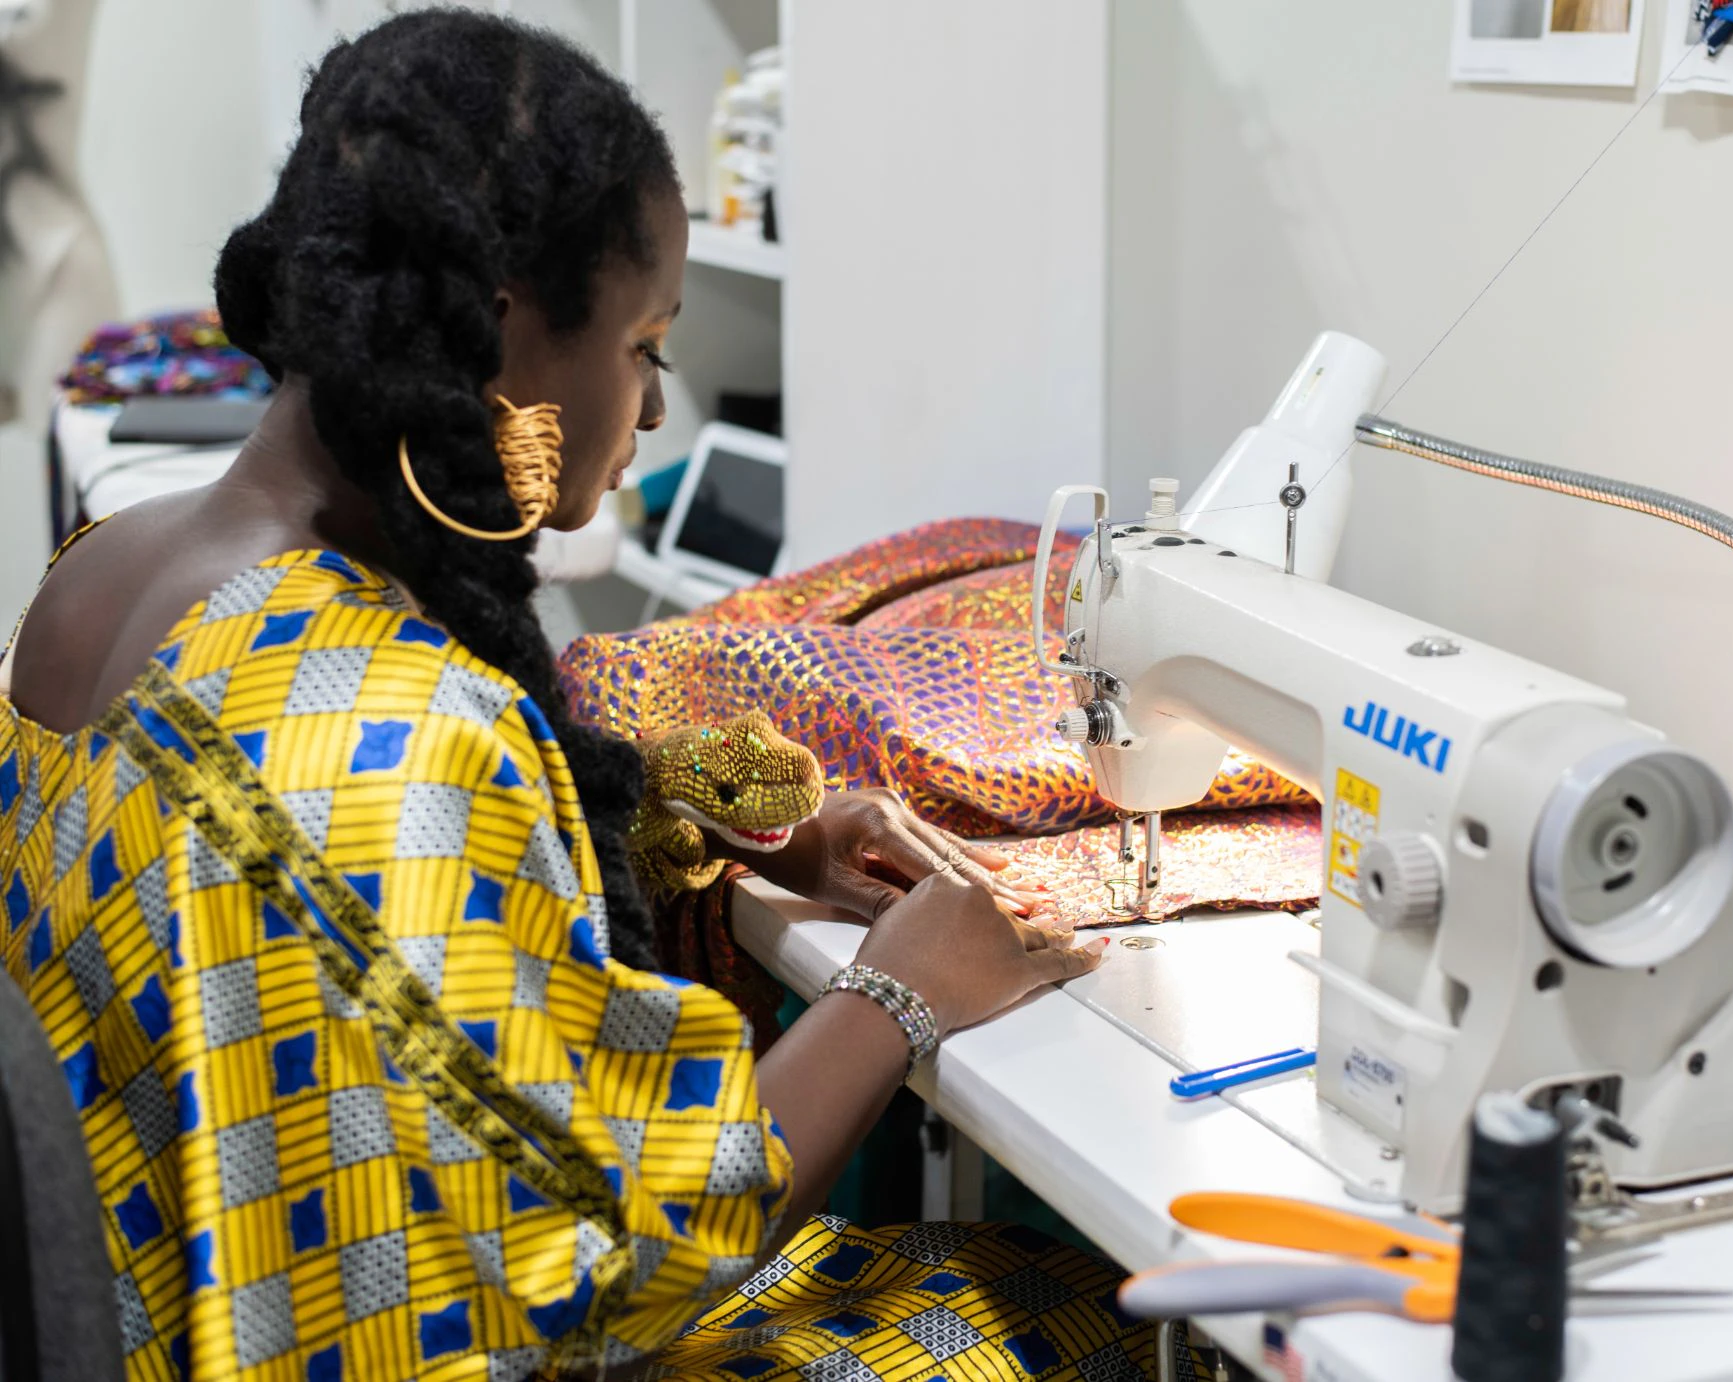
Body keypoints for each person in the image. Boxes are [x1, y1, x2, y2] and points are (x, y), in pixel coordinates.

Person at [0, 11, 1160, 1380]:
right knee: (1090, 1309)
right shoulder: (411, 747)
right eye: (646, 346)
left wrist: (744, 810)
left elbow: (488, 778)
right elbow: (623, 1254)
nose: (656, 411)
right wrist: (899, 993)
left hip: (202, 1300)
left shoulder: (98, 571)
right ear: (503, 338)